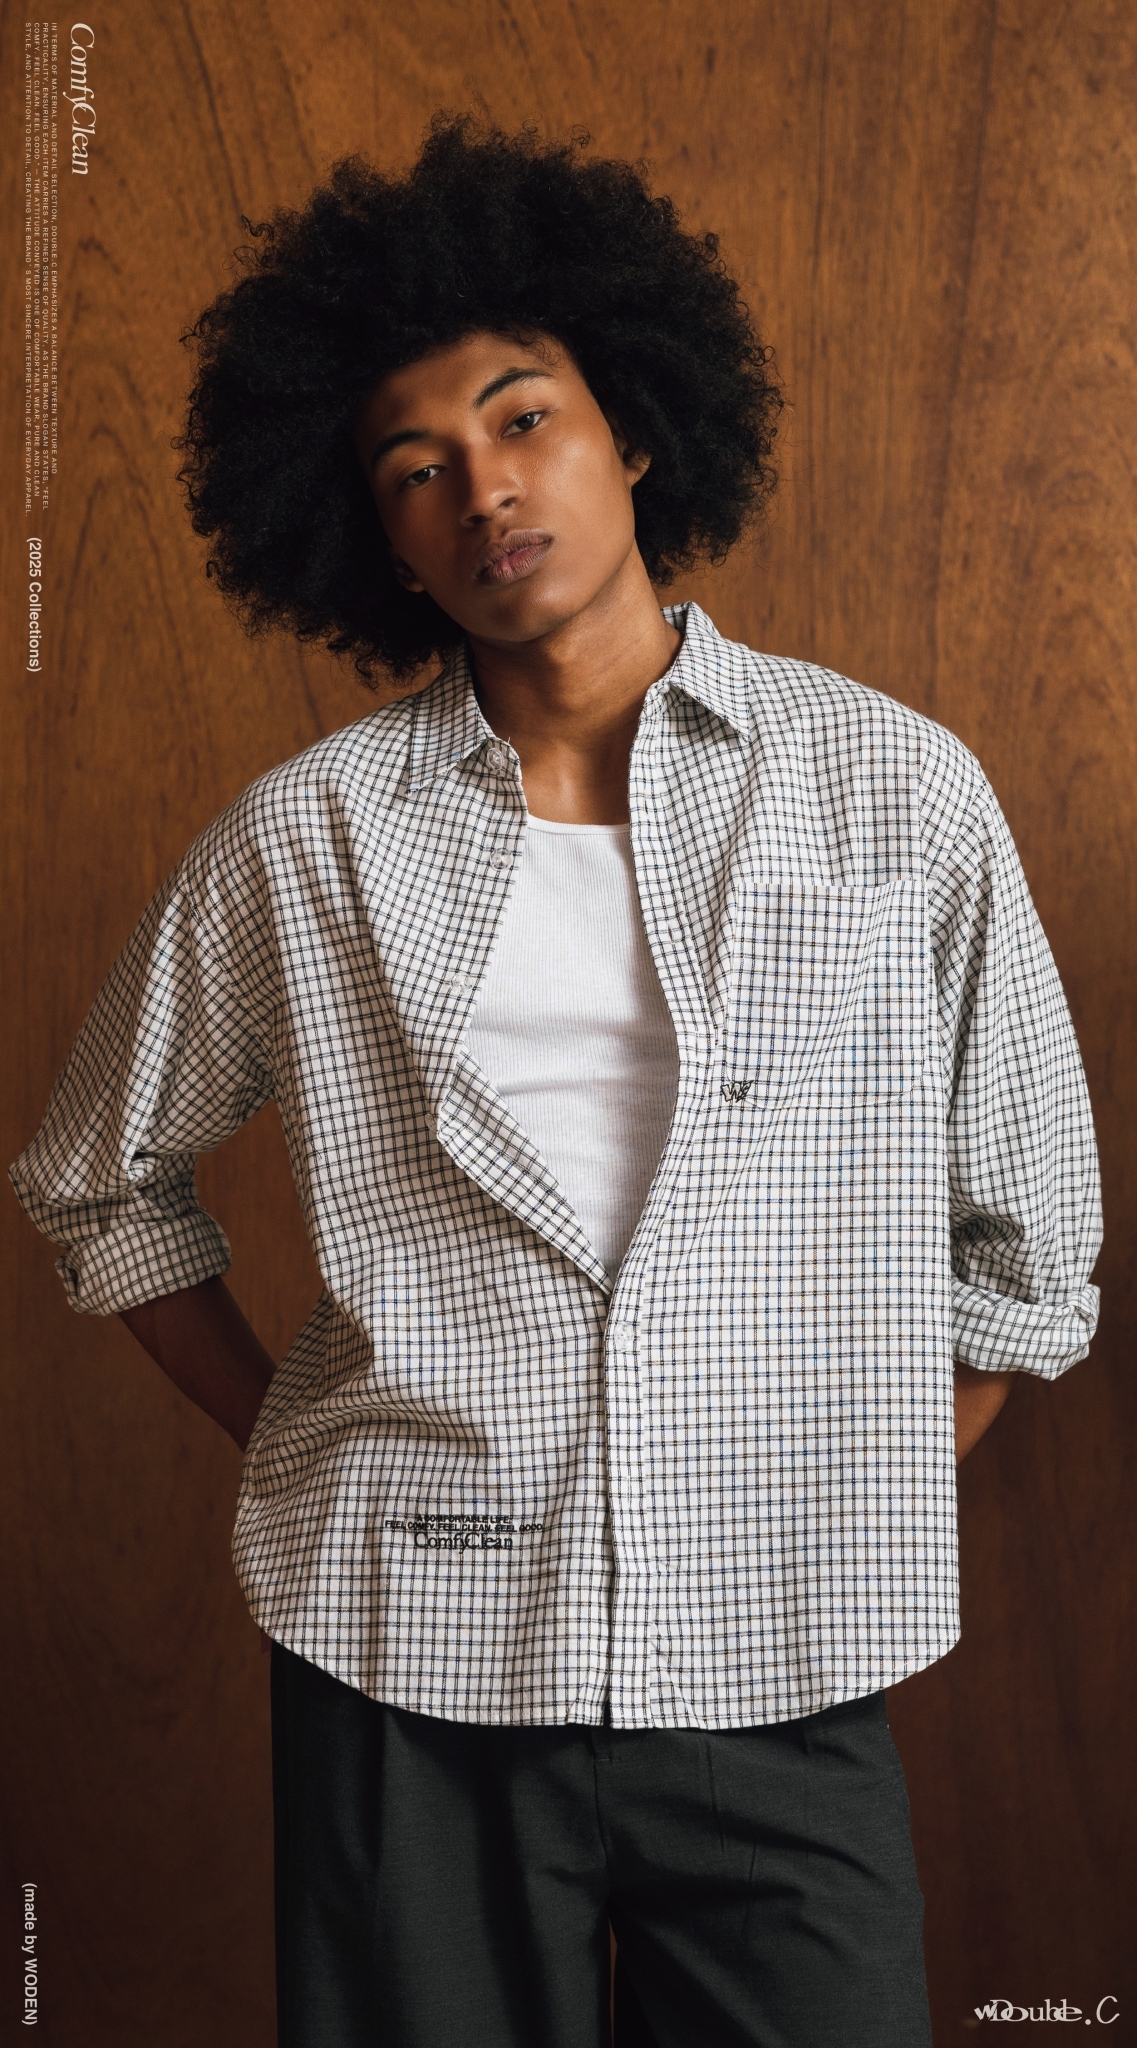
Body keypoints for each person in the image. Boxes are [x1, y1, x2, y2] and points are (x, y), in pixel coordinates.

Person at [10, 118, 1101, 2048]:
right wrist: (301, 1439)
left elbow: (1029, 1245)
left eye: (522, 420)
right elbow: (98, 1178)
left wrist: (824, 1482)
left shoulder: (895, 793)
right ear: (376, 538)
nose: (482, 489)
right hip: (405, 1662)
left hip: (780, 1664)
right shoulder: (308, 840)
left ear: (635, 431)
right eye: (413, 468)